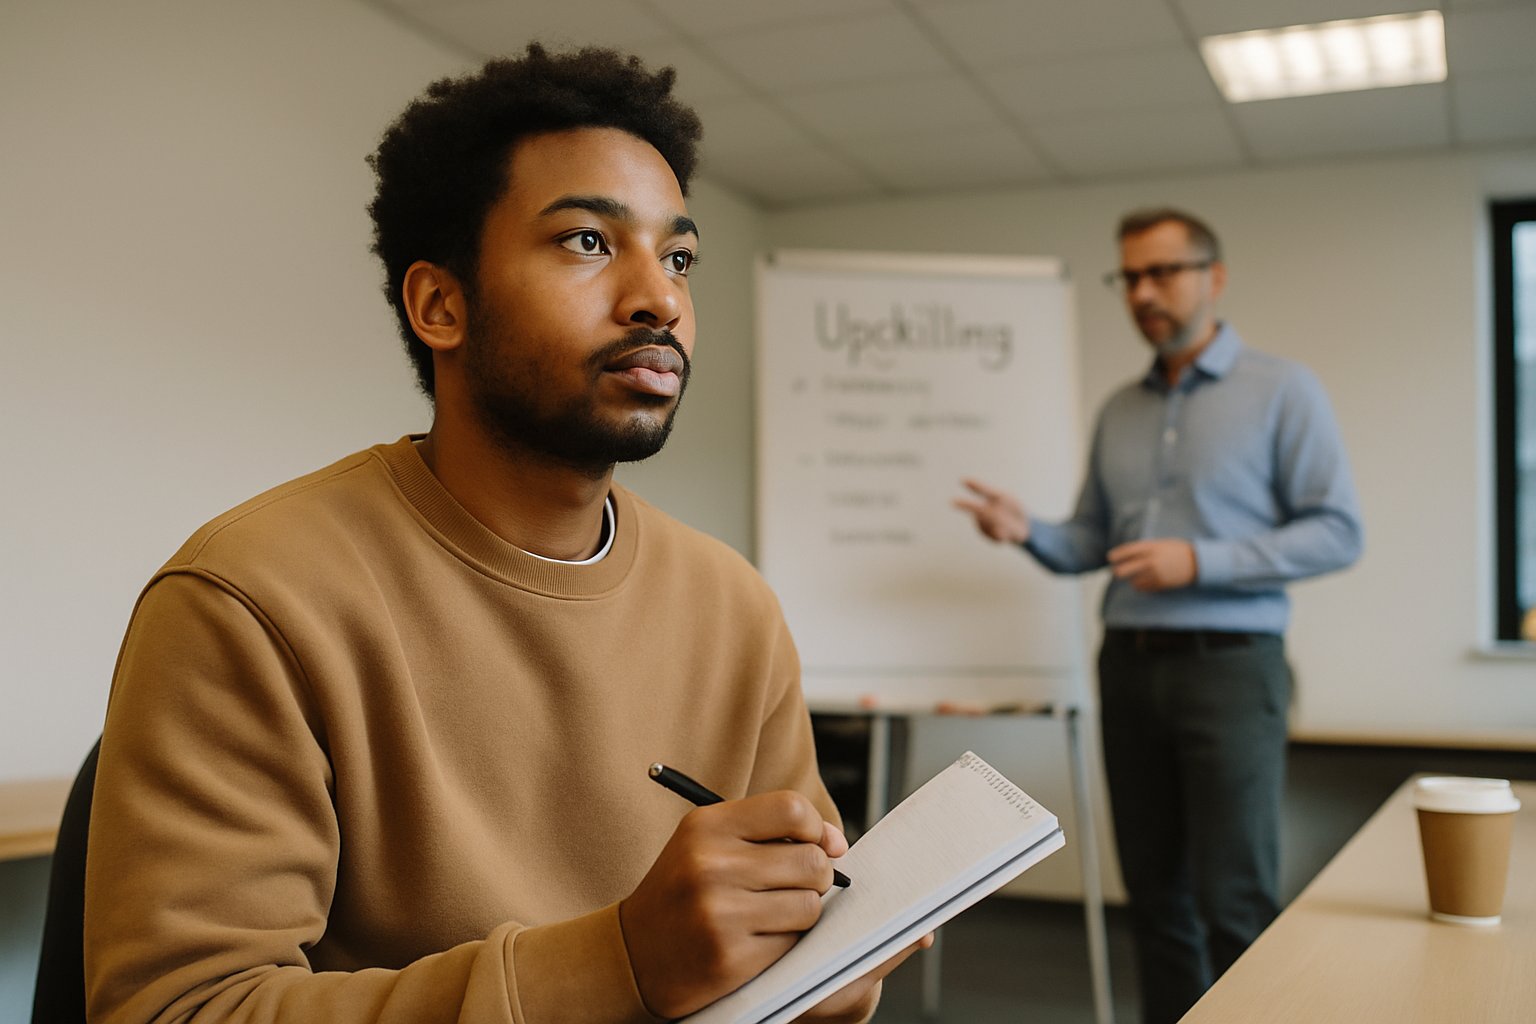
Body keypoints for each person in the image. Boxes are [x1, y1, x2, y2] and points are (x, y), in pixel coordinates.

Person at [84, 45, 923, 1024]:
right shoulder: (252, 596)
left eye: (680, 257)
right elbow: (180, 1009)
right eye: (587, 242)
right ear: (441, 304)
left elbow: (789, 947)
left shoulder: (733, 605)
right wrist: (617, 962)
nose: (660, 297)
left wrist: (824, 973)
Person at [954, 208, 1362, 1024]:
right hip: (1130, 666)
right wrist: (1028, 530)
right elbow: (1092, 545)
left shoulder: (1284, 391)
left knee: (1233, 895)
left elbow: (1338, 530)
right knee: (1155, 895)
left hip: (1231, 667)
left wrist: (1200, 560)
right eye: (1130, 277)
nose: (1144, 292)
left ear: (1213, 277)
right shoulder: (1120, 411)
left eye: (1162, 272)